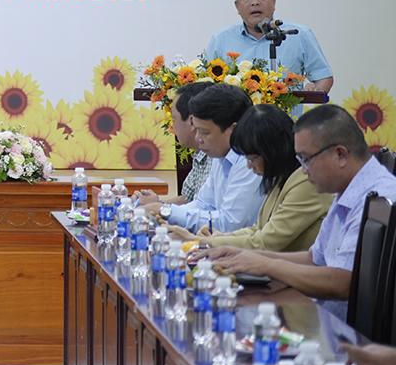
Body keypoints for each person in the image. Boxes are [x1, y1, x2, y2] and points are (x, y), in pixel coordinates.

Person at [204, 105, 396, 307]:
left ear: (340, 154)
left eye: (306, 159)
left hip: (339, 324)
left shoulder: (378, 197)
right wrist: (246, 256)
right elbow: (314, 259)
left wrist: (267, 265)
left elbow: (344, 283)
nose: (303, 170)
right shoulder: (347, 190)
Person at [169, 105, 331, 251]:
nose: (248, 166)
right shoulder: (280, 178)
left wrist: (204, 241)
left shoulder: (305, 182)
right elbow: (258, 229)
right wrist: (217, 238)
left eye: (252, 158)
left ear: (272, 153)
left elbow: (266, 242)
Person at [146, 83, 262, 234]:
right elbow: (203, 205)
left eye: (205, 132)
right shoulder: (220, 155)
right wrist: (162, 212)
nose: (198, 139)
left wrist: (167, 211)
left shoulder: (251, 162)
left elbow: (229, 224)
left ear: (233, 130)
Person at [205, 0, 332, 92]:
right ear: (237, 6)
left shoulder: (299, 35)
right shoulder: (220, 40)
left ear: (273, 1)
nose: (255, 2)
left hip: (285, 108)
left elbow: (323, 77)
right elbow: (206, 85)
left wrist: (315, 89)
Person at [138, 83, 216, 206]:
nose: (172, 126)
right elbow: (188, 198)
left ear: (192, 122)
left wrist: (159, 208)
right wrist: (157, 204)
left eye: (174, 119)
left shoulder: (216, 157)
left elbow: (203, 209)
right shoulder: (200, 154)